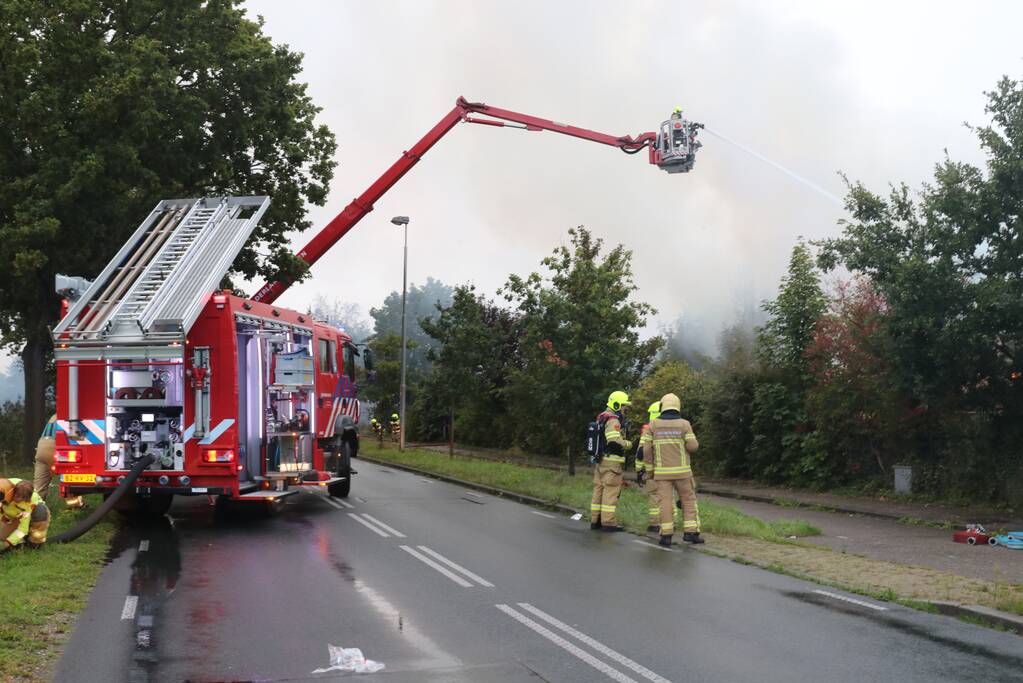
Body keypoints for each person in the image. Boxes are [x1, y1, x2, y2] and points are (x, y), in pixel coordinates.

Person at [644, 392, 702, 546]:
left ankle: (666, 536)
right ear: (677, 406)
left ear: (663, 406)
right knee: (688, 501)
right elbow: (693, 446)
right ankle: (690, 533)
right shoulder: (685, 424)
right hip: (683, 473)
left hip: (662, 474)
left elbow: (647, 451)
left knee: (665, 503)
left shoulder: (653, 425)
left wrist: (650, 471)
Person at [589, 391, 632, 532]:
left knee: (598, 490)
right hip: (612, 463)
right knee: (611, 491)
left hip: (600, 461)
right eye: (625, 406)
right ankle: (608, 523)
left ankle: (595, 521)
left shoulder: (602, 417)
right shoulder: (613, 420)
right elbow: (614, 440)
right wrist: (627, 444)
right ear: (617, 404)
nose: (626, 409)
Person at [33, 414, 84, 508]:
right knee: (71, 476)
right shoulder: (72, 413)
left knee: (39, 486)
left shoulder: (54, 416)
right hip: (56, 445)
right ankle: (75, 506)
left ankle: (34, 509)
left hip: (41, 447)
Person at [1, 478, 50, 550]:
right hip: (12, 512)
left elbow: (23, 529)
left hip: (31, 514)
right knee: (2, 536)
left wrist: (9, 542)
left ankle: (34, 541)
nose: (19, 499)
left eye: (22, 497)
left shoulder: (30, 503)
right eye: (17, 496)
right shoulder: (5, 486)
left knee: (40, 511)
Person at [635, 401, 661, 533]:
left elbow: (640, 453)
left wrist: (639, 470)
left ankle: (655, 524)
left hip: (652, 470)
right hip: (667, 468)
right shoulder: (670, 427)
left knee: (654, 496)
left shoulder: (647, 429)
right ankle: (671, 523)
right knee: (669, 496)